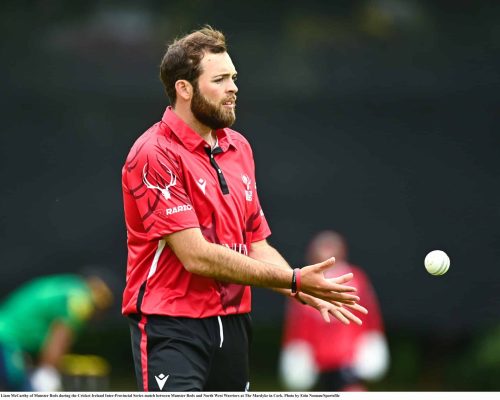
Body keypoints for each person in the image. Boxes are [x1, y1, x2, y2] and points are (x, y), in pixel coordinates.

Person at [121, 26, 367, 392]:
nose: (233, 88)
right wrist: (294, 279)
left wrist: (302, 291)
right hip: (171, 323)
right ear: (184, 89)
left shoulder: (238, 147)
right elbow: (197, 257)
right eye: (219, 79)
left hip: (234, 322)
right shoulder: (154, 153)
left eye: (233, 77)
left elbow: (256, 244)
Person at [280, 231, 390, 391]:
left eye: (331, 247)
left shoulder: (356, 278)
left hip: (350, 358)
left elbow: (370, 315)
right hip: (318, 360)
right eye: (323, 247)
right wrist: (297, 350)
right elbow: (297, 324)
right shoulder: (302, 282)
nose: (327, 252)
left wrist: (371, 341)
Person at [0, 272, 114, 391]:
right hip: (7, 342)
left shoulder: (66, 285)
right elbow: (59, 338)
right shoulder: (80, 299)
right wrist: (47, 373)